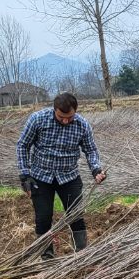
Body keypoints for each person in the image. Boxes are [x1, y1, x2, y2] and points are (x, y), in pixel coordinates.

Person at [15, 92, 107, 260]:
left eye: (69, 117)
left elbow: (91, 149)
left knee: (76, 215)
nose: (65, 121)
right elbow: (22, 145)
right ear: (54, 110)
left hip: (69, 177)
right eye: (61, 117)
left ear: (75, 112)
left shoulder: (82, 125)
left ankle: (81, 254)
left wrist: (96, 169)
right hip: (40, 177)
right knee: (43, 218)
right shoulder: (38, 119)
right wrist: (24, 175)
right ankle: (46, 257)